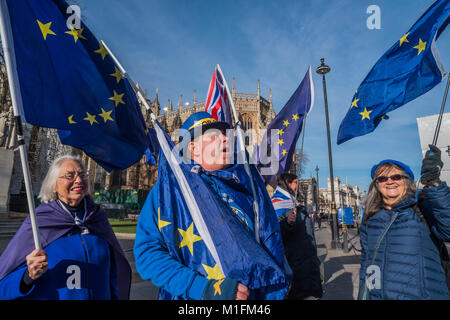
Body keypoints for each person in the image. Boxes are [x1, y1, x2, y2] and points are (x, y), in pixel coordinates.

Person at [134, 112, 288, 300]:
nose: (225, 138)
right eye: (214, 135)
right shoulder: (168, 192)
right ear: (193, 148)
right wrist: (203, 288)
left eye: (225, 134)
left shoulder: (244, 187)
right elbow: (147, 255)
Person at [0, 155, 131, 300]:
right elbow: (4, 281)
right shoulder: (40, 221)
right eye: (70, 176)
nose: (79, 180)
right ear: (54, 184)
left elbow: (112, 275)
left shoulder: (97, 218)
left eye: (83, 175)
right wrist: (28, 276)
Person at [358, 145, 450, 300]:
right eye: (382, 178)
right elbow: (368, 262)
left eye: (396, 177)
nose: (389, 182)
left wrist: (433, 184)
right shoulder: (370, 217)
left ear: (407, 180)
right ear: (376, 185)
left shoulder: (422, 207)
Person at [271, 173, 323, 299]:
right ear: (287, 184)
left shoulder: (296, 203)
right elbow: (275, 235)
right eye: (295, 182)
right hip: (294, 263)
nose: (298, 185)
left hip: (307, 262)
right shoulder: (277, 204)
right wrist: (286, 223)